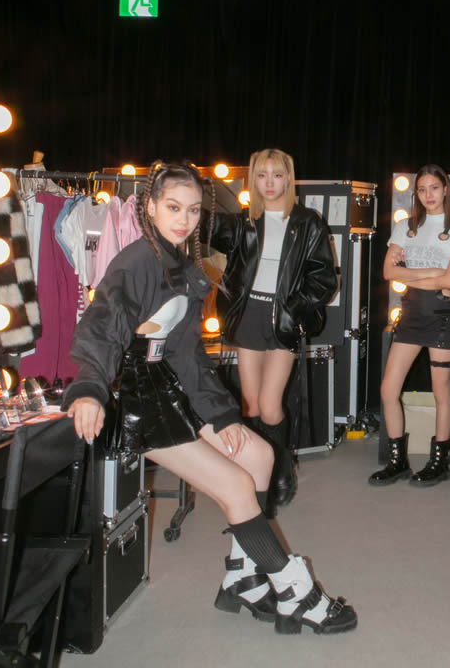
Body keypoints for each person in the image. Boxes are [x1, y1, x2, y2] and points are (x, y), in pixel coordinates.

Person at [65, 161, 355, 635]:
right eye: (173, 207)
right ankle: (297, 591)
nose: (184, 219)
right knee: (237, 486)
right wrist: (89, 389)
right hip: (136, 403)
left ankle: (243, 578)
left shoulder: (181, 265)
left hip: (169, 390)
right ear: (150, 207)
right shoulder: (137, 262)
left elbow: (187, 355)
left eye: (194, 210)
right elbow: (102, 328)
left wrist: (222, 416)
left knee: (259, 455)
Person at [209, 148, 338, 512]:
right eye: (262, 175)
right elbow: (201, 225)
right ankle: (256, 473)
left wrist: (293, 307)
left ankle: (281, 470)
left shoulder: (308, 222)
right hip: (248, 315)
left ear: (288, 178)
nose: (269, 183)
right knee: (249, 403)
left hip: (283, 318)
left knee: (269, 405)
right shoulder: (244, 222)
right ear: (253, 178)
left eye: (277, 175)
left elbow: (323, 280)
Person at [371, 165, 450, 487]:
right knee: (388, 390)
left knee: (441, 392)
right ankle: (397, 461)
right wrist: (434, 274)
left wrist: (414, 275)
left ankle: (438, 462)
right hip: (411, 314)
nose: (428, 195)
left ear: (445, 190)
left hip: (443, 316)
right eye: (422, 189)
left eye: (434, 188)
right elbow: (388, 273)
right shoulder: (405, 227)